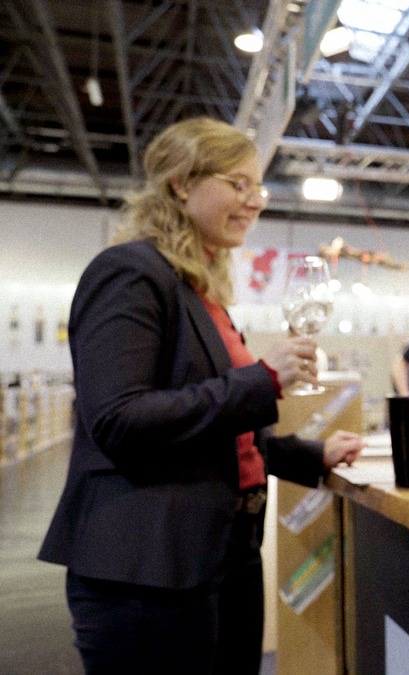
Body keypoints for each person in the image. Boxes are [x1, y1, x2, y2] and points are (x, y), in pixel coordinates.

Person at [37, 117, 364, 674]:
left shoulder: (196, 288)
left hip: (218, 556)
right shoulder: (129, 273)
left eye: (257, 188)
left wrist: (312, 455)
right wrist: (262, 380)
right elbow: (119, 419)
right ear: (181, 183)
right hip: (146, 569)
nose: (254, 202)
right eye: (238, 184)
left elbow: (223, 433)